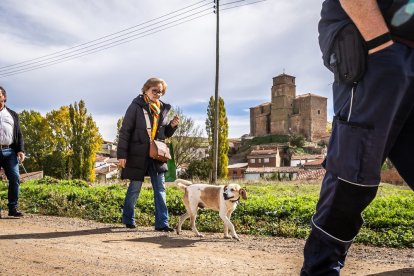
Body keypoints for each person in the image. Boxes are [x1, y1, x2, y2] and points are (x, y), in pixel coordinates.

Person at [301, 0, 414, 274]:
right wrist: (379, 44)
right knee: (352, 177)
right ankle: (320, 269)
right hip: (375, 43)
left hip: (403, 51)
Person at [117, 77, 179, 231]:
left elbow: (163, 133)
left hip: (156, 154)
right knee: (135, 187)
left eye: (160, 91)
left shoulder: (162, 108)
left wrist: (171, 126)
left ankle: (162, 223)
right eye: (154, 91)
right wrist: (122, 155)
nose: (158, 94)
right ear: (146, 89)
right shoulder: (136, 106)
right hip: (137, 154)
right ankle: (128, 218)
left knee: (160, 189)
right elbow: (125, 131)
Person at [0, 86, 25, 218]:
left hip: (9, 151)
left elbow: (19, 134)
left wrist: (20, 150)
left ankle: (12, 208)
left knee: (15, 178)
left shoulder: (12, 115)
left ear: (4, 97)